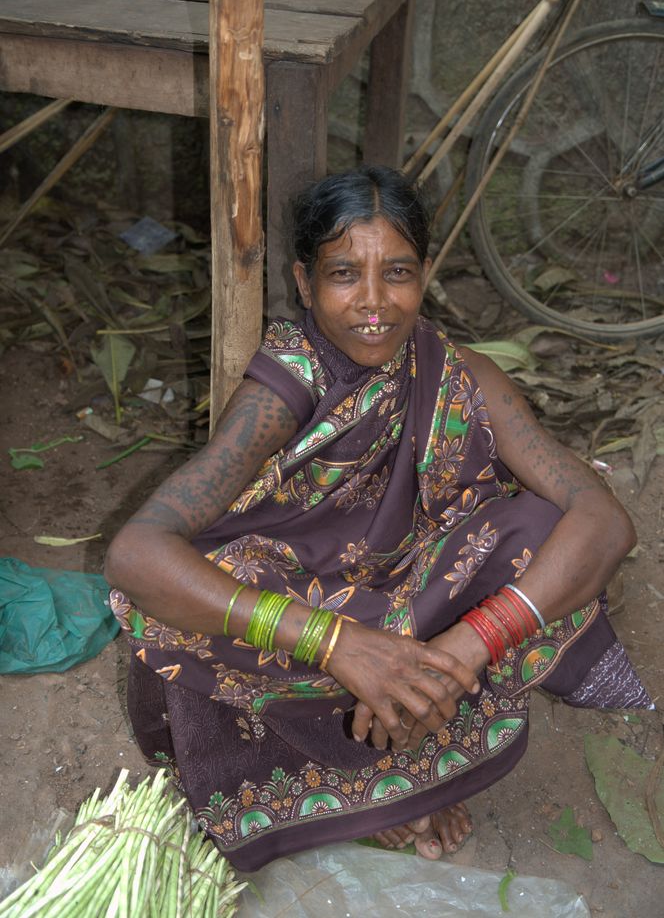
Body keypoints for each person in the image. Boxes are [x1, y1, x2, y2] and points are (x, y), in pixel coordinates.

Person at [105, 165, 652, 873]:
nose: (372, 303)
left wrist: (468, 648)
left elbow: (605, 523)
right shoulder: (283, 389)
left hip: (404, 611)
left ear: (425, 274)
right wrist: (338, 644)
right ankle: (351, 781)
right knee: (200, 590)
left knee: (539, 532)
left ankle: (406, 762)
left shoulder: (459, 375)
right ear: (304, 284)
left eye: (395, 273)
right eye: (342, 275)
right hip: (301, 616)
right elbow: (136, 553)